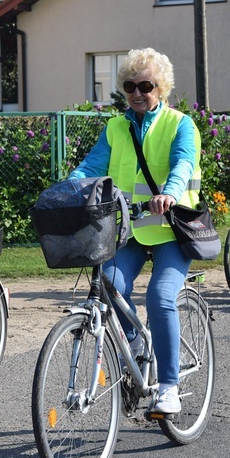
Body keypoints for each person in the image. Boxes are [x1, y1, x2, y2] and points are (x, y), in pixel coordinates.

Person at [67, 47, 201, 414]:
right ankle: (136, 344)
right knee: (109, 286)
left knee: (160, 297)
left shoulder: (180, 124)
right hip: (128, 229)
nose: (138, 92)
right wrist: (68, 186)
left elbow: (184, 163)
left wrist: (170, 193)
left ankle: (169, 387)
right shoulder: (115, 126)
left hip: (172, 229)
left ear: (163, 88)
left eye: (146, 85)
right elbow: (92, 165)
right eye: (130, 85)